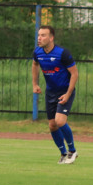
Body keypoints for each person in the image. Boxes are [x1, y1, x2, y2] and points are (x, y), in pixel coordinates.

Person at [32, 25, 80, 164]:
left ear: (51, 38)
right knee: (52, 125)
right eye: (39, 35)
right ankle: (63, 153)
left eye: (43, 35)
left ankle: (72, 151)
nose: (39, 38)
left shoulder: (62, 53)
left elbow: (74, 73)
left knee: (60, 121)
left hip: (65, 91)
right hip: (50, 92)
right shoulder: (37, 52)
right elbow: (35, 65)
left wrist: (68, 94)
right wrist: (35, 84)